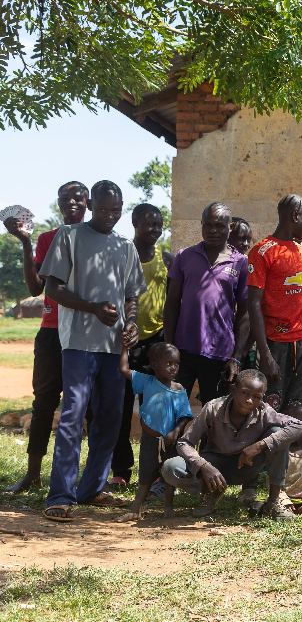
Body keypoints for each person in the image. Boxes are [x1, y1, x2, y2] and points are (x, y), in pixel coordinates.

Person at [40, 180, 147, 521]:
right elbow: (52, 288)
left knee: (110, 418)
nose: (109, 215)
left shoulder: (125, 246)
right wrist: (93, 308)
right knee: (73, 415)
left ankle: (92, 488)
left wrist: (131, 323)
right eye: (102, 209)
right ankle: (60, 496)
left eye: (115, 210)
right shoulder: (69, 236)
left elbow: (132, 296)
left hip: (114, 347)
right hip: (78, 343)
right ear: (89, 206)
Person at [1, 181, 88, 494]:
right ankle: (33, 474)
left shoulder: (98, 238)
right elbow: (35, 288)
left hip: (86, 331)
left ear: (88, 203)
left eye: (77, 198)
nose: (71, 203)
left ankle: (90, 478)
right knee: (44, 404)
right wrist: (26, 243)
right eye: (65, 198)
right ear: (59, 203)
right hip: (52, 331)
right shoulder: (48, 238)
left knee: (87, 406)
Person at [161, 370, 302, 519]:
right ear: (233, 390)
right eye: (245, 393)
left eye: (256, 397)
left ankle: (273, 501)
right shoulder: (213, 408)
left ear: (262, 397)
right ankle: (211, 490)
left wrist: (258, 445)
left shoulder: (264, 412)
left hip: (245, 466)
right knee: (170, 467)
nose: (250, 400)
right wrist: (204, 466)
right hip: (214, 465)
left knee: (278, 433)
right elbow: (184, 443)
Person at [112, 203, 174, 488]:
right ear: (135, 222)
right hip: (127, 342)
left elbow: (173, 302)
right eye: (149, 224)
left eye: (159, 225)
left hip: (156, 344)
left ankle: (154, 471)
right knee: (122, 408)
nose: (155, 230)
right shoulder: (123, 255)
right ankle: (121, 470)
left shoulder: (167, 259)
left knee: (154, 411)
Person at [164, 202, 248, 405]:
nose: (213, 230)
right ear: (201, 224)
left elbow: (245, 314)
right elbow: (172, 303)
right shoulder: (184, 256)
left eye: (219, 225)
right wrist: (169, 346)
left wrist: (236, 357)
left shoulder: (241, 262)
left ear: (230, 228)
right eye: (208, 225)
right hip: (182, 350)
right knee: (172, 409)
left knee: (215, 415)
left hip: (220, 353)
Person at [247, 194, 302, 412]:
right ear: (295, 216)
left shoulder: (298, 249)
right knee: (269, 410)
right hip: (276, 344)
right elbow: (253, 304)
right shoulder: (262, 252)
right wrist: (265, 355)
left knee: (297, 408)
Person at [116, 342, 192, 522]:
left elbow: (185, 415)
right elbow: (124, 369)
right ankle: (136, 510)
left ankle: (168, 505)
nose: (174, 368)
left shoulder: (178, 389)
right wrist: (124, 348)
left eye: (176, 364)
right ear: (154, 365)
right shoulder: (146, 381)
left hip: (169, 441)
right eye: (169, 363)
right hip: (149, 441)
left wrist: (176, 431)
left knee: (168, 477)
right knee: (145, 477)